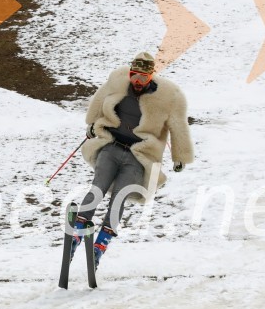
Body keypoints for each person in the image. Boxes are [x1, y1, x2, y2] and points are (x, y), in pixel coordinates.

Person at [70, 52, 194, 269]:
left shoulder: (170, 96)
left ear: (151, 77)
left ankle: (100, 246)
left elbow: (179, 125)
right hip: (111, 146)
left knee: (120, 197)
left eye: (142, 78)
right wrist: (92, 124)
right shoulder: (118, 80)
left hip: (139, 157)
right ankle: (77, 234)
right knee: (97, 187)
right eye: (134, 76)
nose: (137, 82)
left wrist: (180, 156)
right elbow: (99, 101)